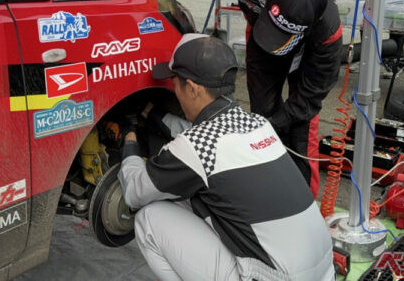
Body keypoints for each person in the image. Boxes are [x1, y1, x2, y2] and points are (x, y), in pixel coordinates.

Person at [117, 33, 335, 281]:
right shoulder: (258, 124)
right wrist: (152, 114)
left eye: (175, 83)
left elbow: (134, 191)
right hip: (323, 271)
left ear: (191, 88)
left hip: (275, 277)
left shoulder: (196, 148)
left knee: (149, 217)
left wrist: (129, 137)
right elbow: (206, 140)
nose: (174, 91)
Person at [139, 0, 343, 198]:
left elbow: (308, 100)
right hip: (261, 36)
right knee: (262, 111)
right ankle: (262, 180)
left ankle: (303, 201)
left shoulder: (328, 37)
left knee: (300, 126)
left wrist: (278, 122)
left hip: (308, 56)